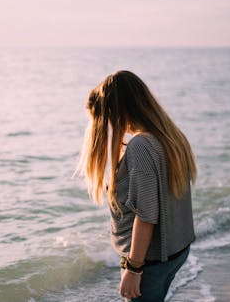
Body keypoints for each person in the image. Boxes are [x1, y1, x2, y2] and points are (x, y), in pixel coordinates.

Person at [77, 70, 197, 301]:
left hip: (149, 261)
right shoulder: (169, 137)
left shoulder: (141, 146)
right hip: (176, 251)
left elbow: (146, 215)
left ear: (117, 112)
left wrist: (133, 269)